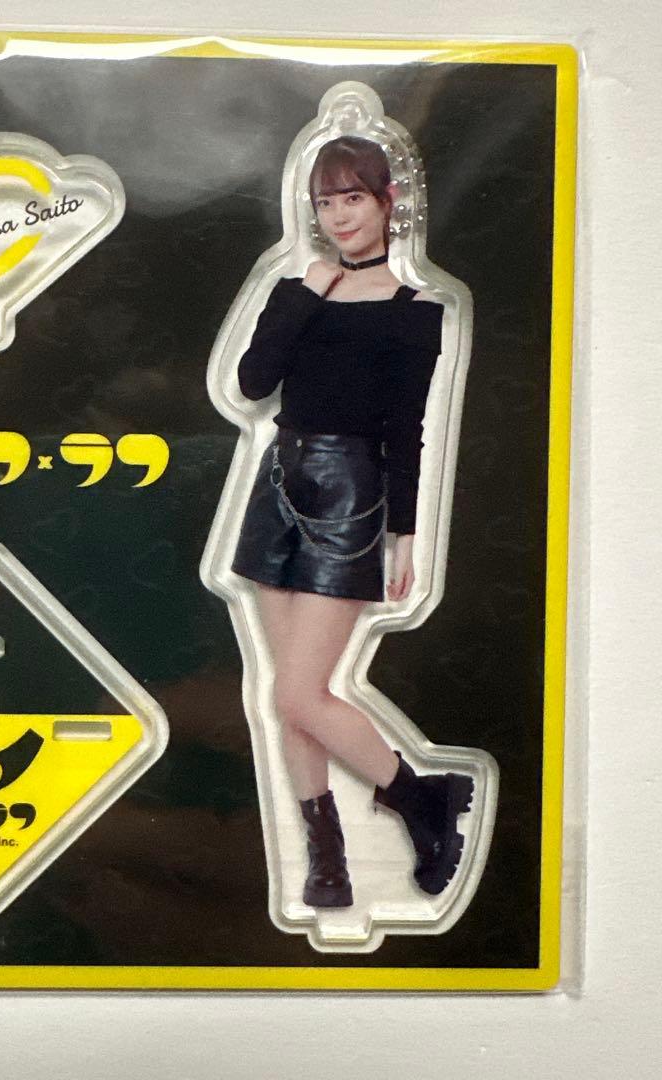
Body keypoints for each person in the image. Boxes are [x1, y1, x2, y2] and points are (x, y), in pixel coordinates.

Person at [230, 135, 473, 907]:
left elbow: (408, 430)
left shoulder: (415, 313)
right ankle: (327, 861)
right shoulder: (298, 289)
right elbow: (253, 381)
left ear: (386, 202)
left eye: (353, 199)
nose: (339, 216)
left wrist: (405, 534)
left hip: (352, 496)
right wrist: (307, 292)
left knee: (298, 695)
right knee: (286, 689)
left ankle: (419, 796)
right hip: (279, 483)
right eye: (326, 203)